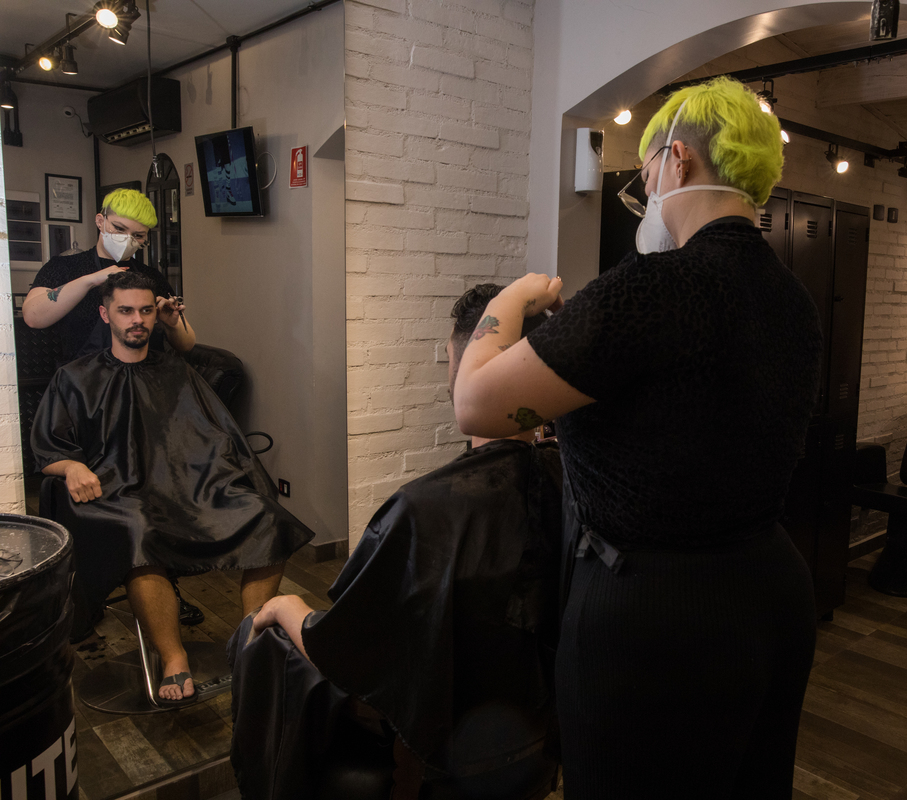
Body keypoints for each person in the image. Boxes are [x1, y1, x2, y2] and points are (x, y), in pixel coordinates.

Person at [451, 77, 824, 799]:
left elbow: (475, 406)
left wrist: (511, 299)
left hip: (656, 619)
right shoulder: (791, 299)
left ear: (677, 161)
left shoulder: (652, 289)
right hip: (771, 593)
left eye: (646, 172)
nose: (644, 190)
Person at [230, 284, 562, 800]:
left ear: (463, 370)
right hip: (542, 731)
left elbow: (346, 653)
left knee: (262, 640)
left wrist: (284, 607)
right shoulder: (579, 482)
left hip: (443, 746)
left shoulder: (424, 509)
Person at [31, 271, 313, 705]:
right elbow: (47, 446)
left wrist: (222, 474)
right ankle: (173, 656)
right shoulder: (74, 377)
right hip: (115, 494)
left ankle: (250, 639)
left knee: (268, 518)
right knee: (138, 530)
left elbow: (215, 435)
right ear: (106, 315)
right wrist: (72, 466)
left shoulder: (176, 371)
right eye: (126, 311)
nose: (136, 320)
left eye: (145, 311)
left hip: (187, 485)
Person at [23, 188, 195, 366]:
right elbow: (32, 316)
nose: (127, 239)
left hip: (144, 375)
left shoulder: (151, 277)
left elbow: (187, 345)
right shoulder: (64, 267)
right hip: (82, 377)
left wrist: (172, 324)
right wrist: (90, 280)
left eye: (138, 235)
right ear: (100, 221)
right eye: (119, 228)